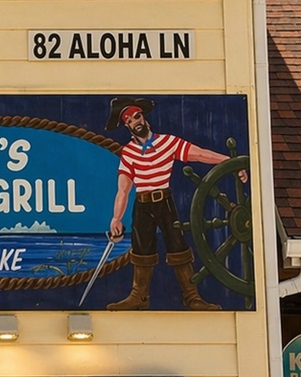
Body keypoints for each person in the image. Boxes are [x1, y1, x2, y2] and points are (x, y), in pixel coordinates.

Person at [105, 97, 246, 311]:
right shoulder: (128, 153)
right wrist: (116, 218)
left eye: (137, 116)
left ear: (144, 117)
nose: (135, 122)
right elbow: (123, 189)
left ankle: (192, 296)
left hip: (165, 202)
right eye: (130, 120)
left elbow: (200, 154)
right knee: (141, 249)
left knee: (177, 246)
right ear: (127, 126)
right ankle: (138, 297)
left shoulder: (168, 142)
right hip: (142, 205)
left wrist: (230, 163)